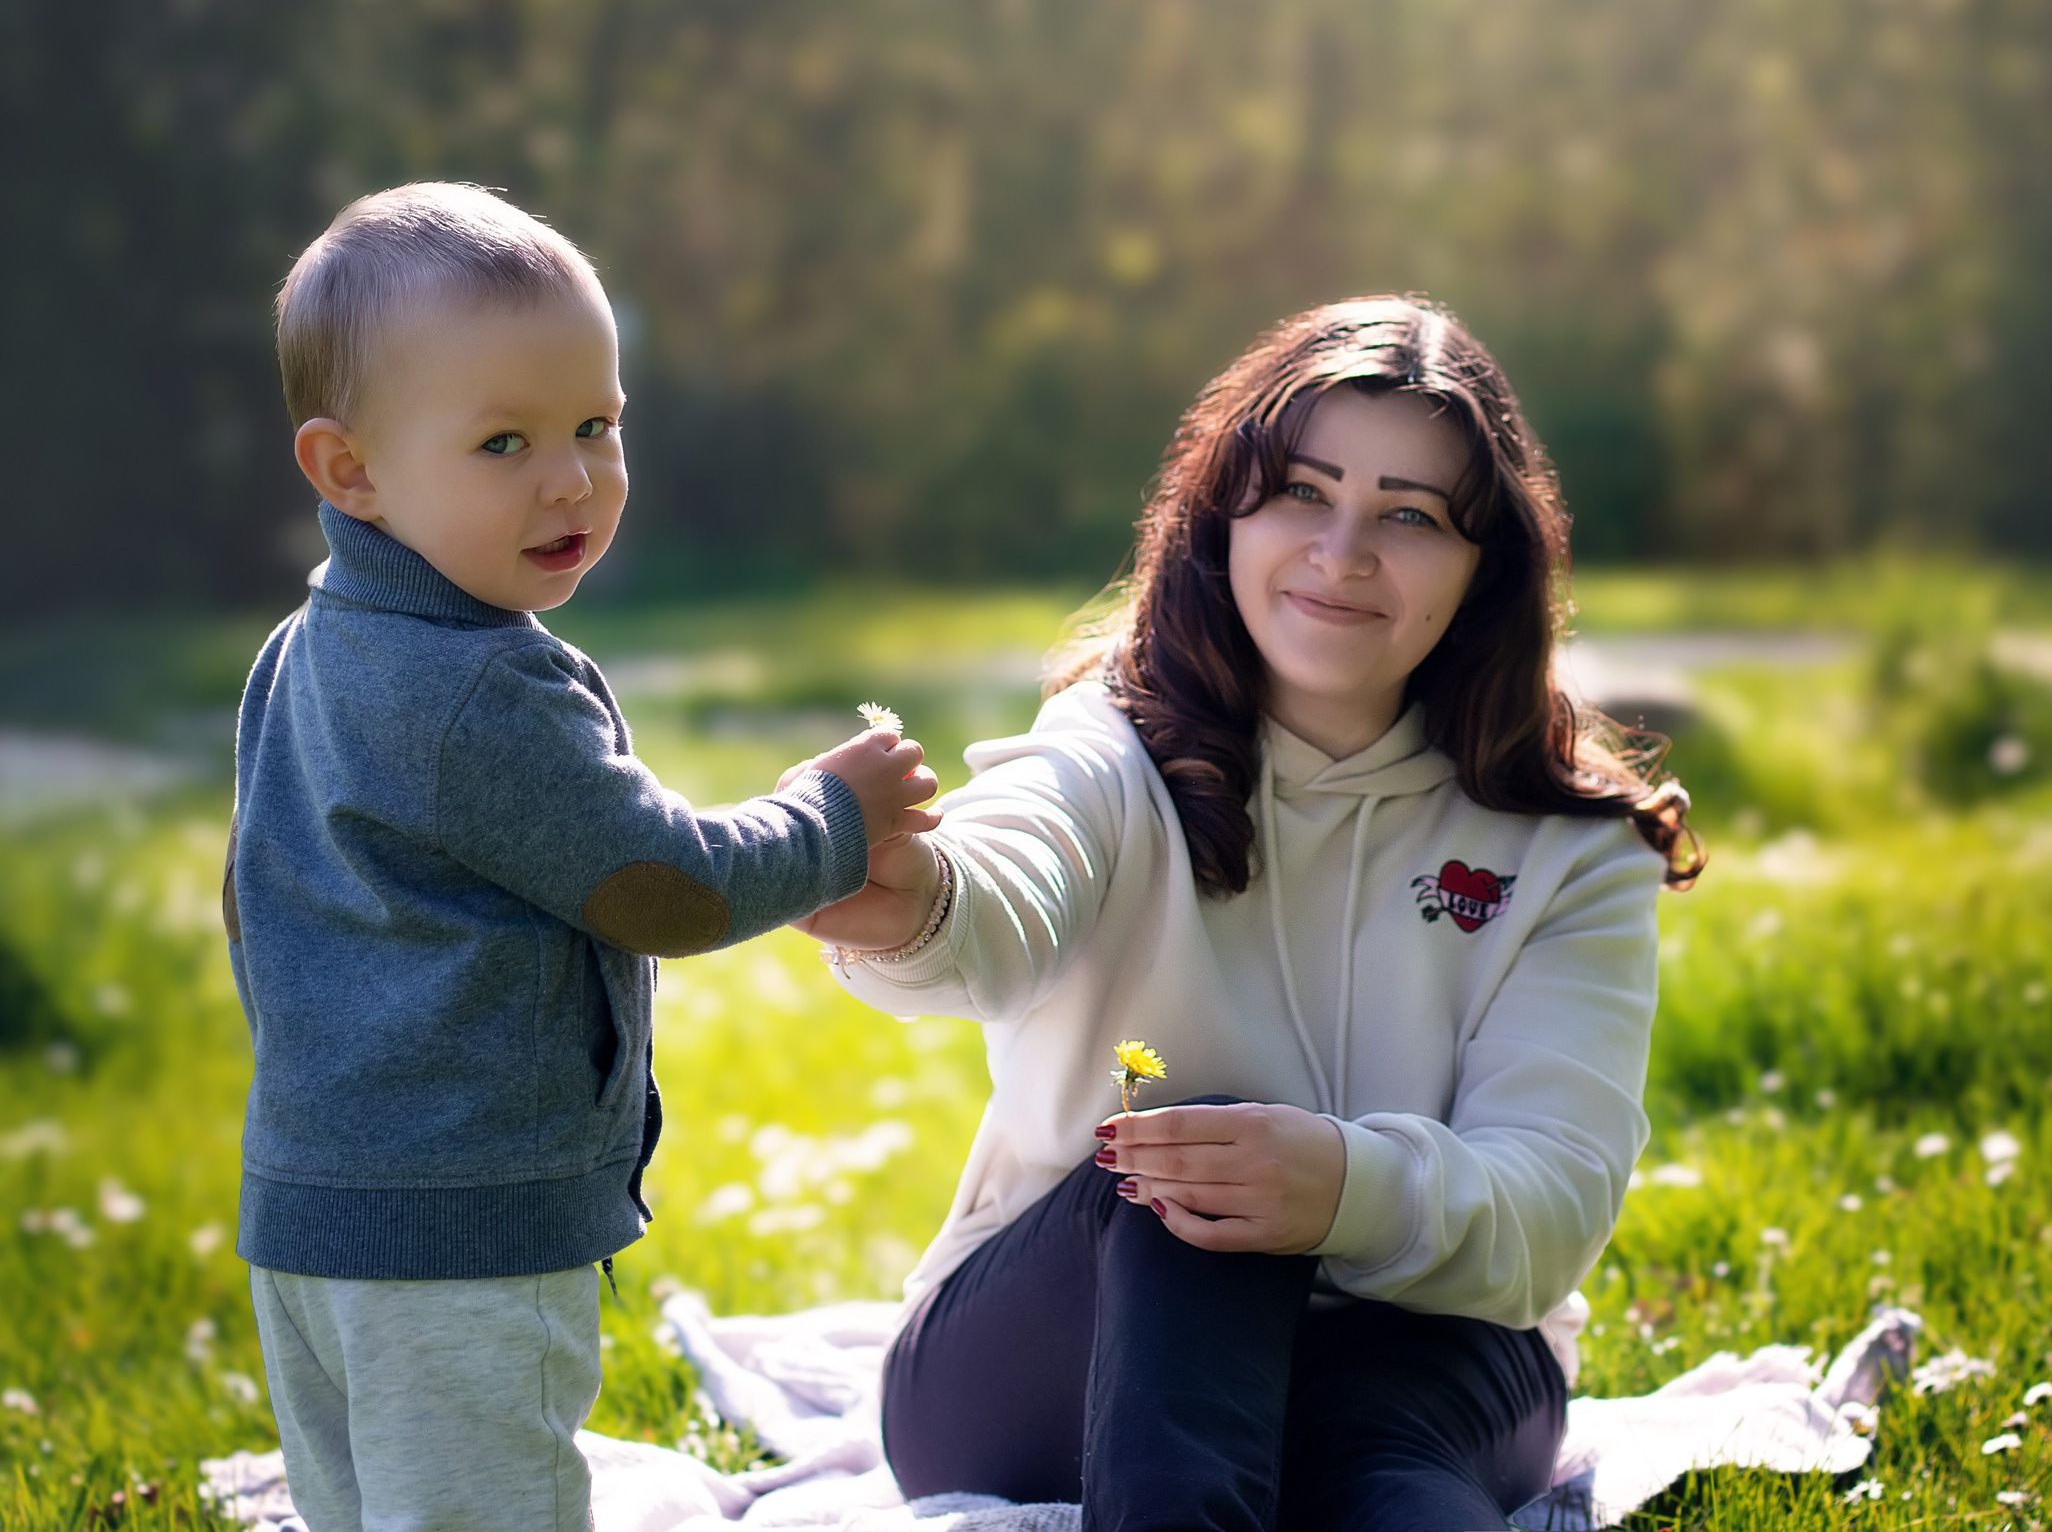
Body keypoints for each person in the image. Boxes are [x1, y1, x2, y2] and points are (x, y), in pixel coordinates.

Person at [804, 296, 1699, 1532]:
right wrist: (918, 905)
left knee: (1388, 1489)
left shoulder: (1571, 845)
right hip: (1052, 1353)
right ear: (1222, 511)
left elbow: (1550, 1202)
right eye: (1300, 493)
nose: (1343, 552)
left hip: (1423, 1352)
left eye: (1410, 515)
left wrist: (1339, 1187)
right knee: (1184, 1186)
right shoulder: (1114, 750)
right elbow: (1013, 868)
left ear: (1485, 566)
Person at [225, 182, 940, 1532]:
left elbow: (250, 906)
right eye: (504, 440)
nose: (573, 477)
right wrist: (829, 816)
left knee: (363, 1503)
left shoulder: (306, 644)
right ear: (349, 469)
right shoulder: (479, 689)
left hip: (314, 1195)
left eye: (598, 425)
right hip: (465, 1217)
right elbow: (662, 883)